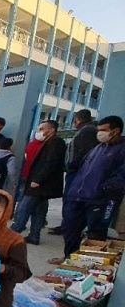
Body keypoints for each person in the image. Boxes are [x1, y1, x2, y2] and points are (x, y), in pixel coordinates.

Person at [58, 116, 125, 261]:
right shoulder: (98, 148)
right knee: (69, 229)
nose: (99, 133)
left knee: (96, 234)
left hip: (101, 200)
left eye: (103, 130)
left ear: (115, 131)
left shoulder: (122, 149)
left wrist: (103, 190)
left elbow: (121, 177)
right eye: (98, 130)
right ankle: (69, 259)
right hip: (78, 197)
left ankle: (88, 264)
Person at [10, 120, 66, 245]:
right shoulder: (47, 142)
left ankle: (12, 233)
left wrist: (37, 179)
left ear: (51, 130)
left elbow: (51, 163)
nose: (39, 132)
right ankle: (34, 236)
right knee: (39, 211)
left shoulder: (55, 142)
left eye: (42, 129)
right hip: (40, 185)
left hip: (39, 184)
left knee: (24, 208)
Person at [49, 109, 99, 235]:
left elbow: (84, 153)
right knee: (70, 200)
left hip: (77, 173)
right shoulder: (87, 130)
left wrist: (73, 166)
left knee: (71, 200)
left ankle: (69, 226)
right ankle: (67, 225)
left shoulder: (87, 131)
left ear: (76, 120)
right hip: (77, 172)